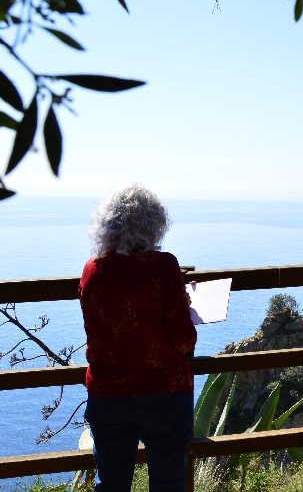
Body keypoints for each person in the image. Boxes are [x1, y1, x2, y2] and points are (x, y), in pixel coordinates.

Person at [79, 184, 197, 491]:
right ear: (155, 224)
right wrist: (182, 303)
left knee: (112, 484)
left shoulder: (92, 270)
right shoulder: (164, 267)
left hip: (107, 395)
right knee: (168, 483)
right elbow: (184, 341)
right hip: (164, 395)